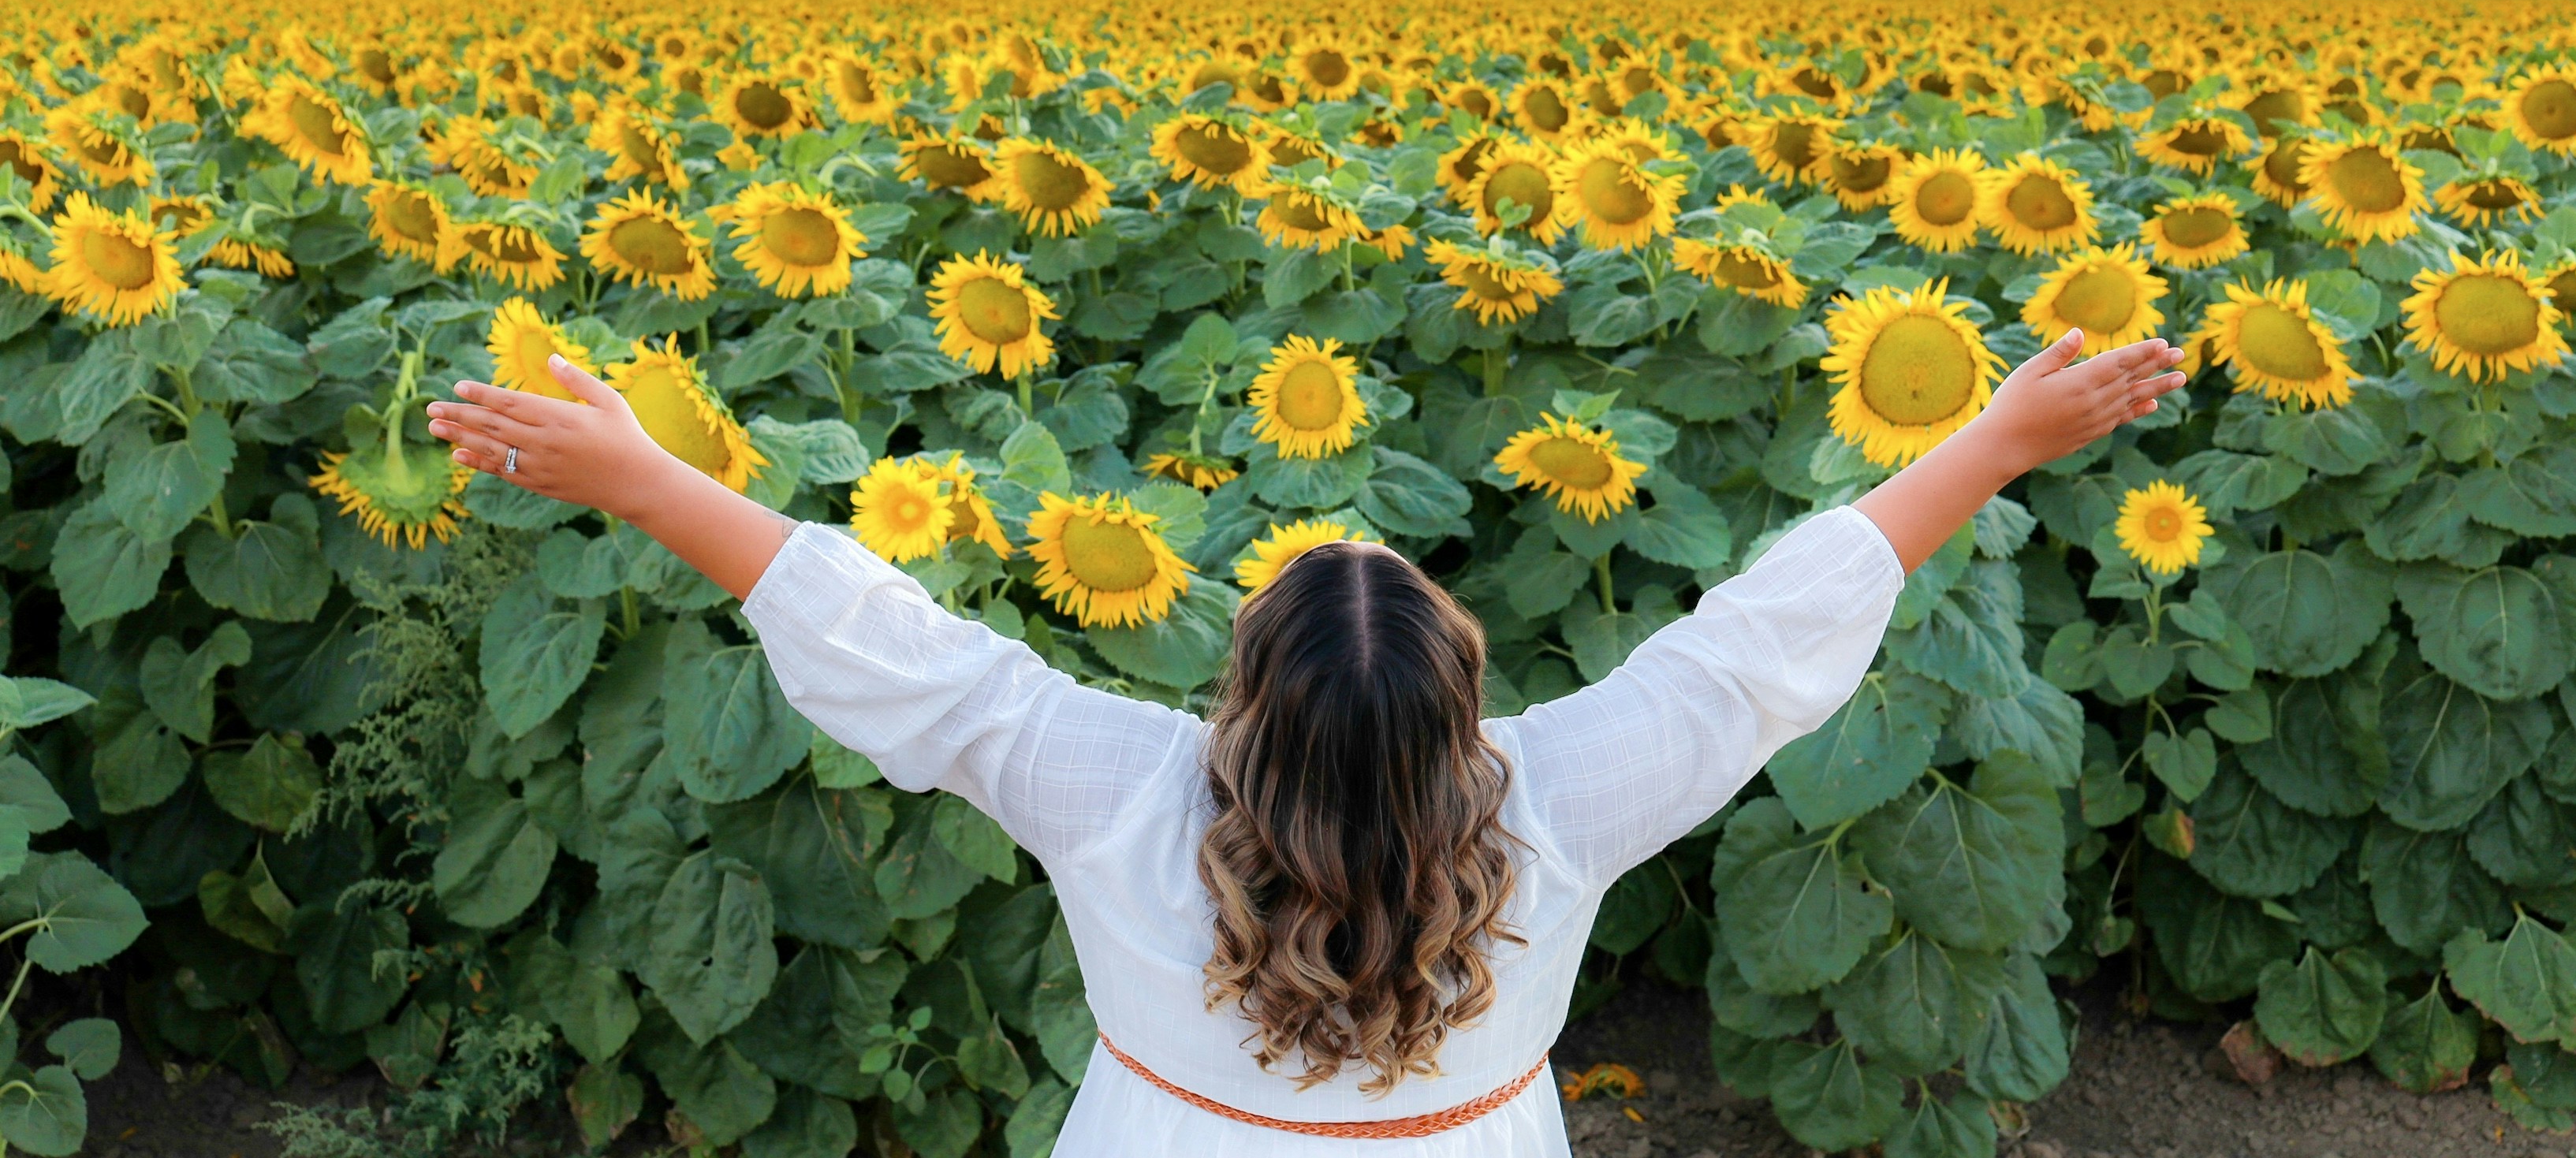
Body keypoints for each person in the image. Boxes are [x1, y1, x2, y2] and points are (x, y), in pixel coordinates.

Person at [427, 326, 2183, 1155]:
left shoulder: (1114, 786)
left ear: (1233, 706)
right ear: (1467, 709)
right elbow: (1752, 656)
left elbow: (908, 656)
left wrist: (646, 478)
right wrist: (2001, 442)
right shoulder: (1557, 798)